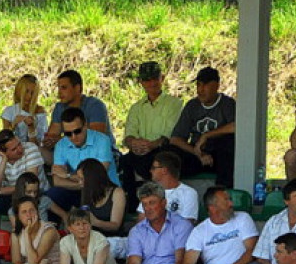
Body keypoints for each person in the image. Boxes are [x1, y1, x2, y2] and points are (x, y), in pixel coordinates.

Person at [181, 186, 259, 264]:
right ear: (213, 208)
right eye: (226, 200)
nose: (231, 203)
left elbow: (252, 250)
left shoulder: (243, 218)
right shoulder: (200, 231)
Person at [119, 61, 183, 193]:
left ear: (162, 78)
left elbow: (171, 133)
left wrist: (152, 145)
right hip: (140, 151)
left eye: (155, 78)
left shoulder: (174, 103)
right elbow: (128, 135)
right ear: (141, 82)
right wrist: (134, 143)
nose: (151, 83)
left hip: (163, 149)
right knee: (125, 160)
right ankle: (131, 203)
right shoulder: (136, 108)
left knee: (161, 158)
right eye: (147, 80)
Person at [167, 66, 236, 187]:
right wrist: (197, 153)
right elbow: (175, 138)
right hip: (197, 155)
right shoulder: (192, 106)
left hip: (218, 156)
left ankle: (222, 190)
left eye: (205, 85)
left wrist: (207, 135)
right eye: (198, 85)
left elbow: (236, 126)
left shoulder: (227, 104)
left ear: (216, 86)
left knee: (228, 142)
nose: (201, 89)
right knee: (169, 153)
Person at [126, 181, 192, 264]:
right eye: (144, 204)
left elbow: (180, 261)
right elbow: (133, 263)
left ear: (164, 203)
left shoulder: (181, 225)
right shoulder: (136, 231)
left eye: (152, 203)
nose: (148, 208)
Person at [48, 107, 118, 212]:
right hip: (78, 190)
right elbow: (57, 181)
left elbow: (97, 177)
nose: (73, 136)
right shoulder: (61, 145)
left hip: (104, 190)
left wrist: (68, 175)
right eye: (68, 133)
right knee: (51, 196)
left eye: (77, 131)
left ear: (85, 125)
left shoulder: (102, 140)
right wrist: (81, 184)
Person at [1, 197, 61, 264]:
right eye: (24, 212)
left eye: (32, 210)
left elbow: (32, 262)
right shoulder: (16, 234)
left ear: (37, 212)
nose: (29, 215)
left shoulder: (49, 231)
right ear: (18, 216)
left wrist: (27, 235)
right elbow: (17, 262)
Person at [0, 130, 47, 229]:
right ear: (3, 152)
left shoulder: (30, 148)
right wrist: (4, 159)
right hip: (12, 196)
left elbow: (28, 184)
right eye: (14, 149)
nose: (20, 149)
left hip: (34, 194)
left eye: (19, 144)